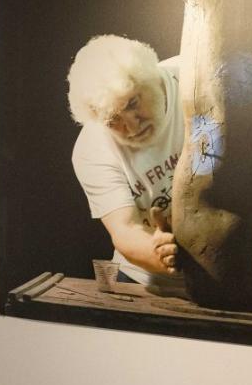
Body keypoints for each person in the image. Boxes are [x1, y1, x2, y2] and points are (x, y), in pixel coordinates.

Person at [66, 34, 182, 287]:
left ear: (150, 79)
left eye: (132, 103)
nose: (130, 127)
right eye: (112, 120)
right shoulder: (92, 150)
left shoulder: (194, 80)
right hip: (146, 282)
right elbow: (125, 229)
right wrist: (160, 252)